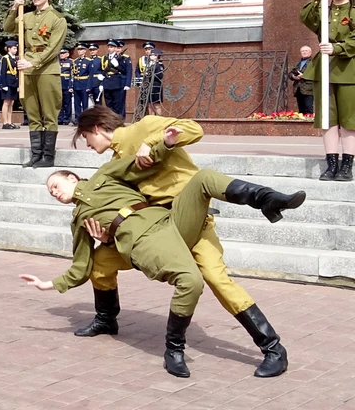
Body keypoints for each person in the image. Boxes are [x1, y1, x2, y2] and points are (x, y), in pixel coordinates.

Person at [21, 125, 304, 378]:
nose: (54, 192)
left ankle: (267, 199)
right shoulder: (80, 221)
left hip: (172, 220)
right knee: (101, 265)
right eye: (50, 193)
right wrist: (50, 284)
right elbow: (81, 265)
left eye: (56, 185)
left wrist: (165, 144)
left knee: (204, 180)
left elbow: (142, 164)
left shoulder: (105, 173)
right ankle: (120, 325)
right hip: (144, 241)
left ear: (72, 177)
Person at [5, 0, 67, 166]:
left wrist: (32, 63)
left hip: (46, 70)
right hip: (27, 70)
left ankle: (48, 157)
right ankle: (36, 155)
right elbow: (8, 28)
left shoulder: (57, 18)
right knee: (32, 114)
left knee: (49, 113)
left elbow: (53, 49)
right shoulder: (27, 17)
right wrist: (15, 7)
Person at [301, 0, 355, 182]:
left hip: (348, 70)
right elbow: (305, 17)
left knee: (350, 120)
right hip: (324, 68)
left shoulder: (353, 11)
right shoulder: (324, 9)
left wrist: (338, 49)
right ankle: (331, 164)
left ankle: (347, 165)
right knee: (327, 119)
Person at [0, 40, 20, 129]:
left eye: (16, 48)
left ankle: (10, 121)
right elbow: (2, 72)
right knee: (6, 102)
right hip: (7, 82)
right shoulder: (5, 58)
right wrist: (4, 85)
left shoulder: (15, 58)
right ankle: (5, 122)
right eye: (14, 48)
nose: (16, 50)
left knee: (12, 102)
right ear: (9, 49)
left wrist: (18, 84)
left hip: (14, 82)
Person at [290, 45, 315, 115]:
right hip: (298, 89)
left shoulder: (313, 62)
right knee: (301, 109)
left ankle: (309, 123)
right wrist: (294, 77)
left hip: (308, 89)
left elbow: (316, 73)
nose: (304, 52)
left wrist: (304, 76)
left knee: (308, 107)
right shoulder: (298, 63)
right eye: (302, 51)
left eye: (306, 51)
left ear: (310, 52)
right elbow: (290, 73)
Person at [72, 44, 91, 121]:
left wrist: (89, 86)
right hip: (76, 84)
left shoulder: (88, 61)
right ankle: (77, 118)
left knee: (84, 103)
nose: (79, 51)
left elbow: (91, 75)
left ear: (85, 51)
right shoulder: (75, 61)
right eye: (78, 50)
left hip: (84, 84)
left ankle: (85, 118)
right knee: (77, 103)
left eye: (81, 50)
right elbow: (72, 74)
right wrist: (72, 86)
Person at [58, 47, 74, 126]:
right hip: (58, 85)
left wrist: (71, 86)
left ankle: (67, 119)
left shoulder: (71, 62)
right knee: (59, 103)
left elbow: (72, 75)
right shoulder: (57, 62)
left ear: (67, 54)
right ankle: (59, 118)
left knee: (67, 103)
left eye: (63, 53)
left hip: (67, 84)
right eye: (61, 53)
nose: (62, 55)